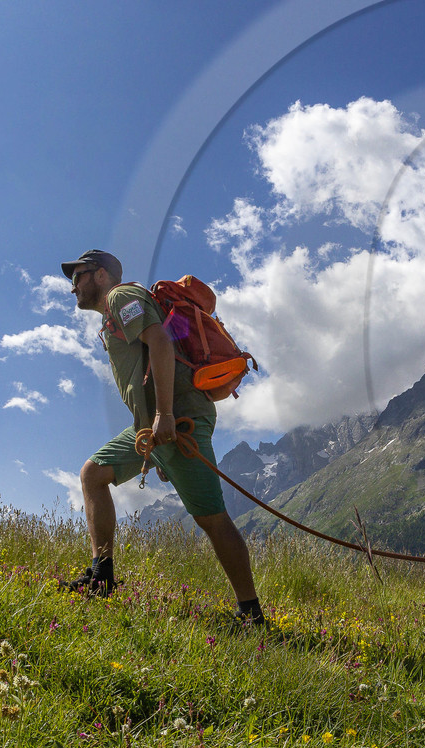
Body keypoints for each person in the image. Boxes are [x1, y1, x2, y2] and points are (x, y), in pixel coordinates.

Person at [59, 249, 269, 629]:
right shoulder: (112, 316)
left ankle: (251, 614)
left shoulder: (121, 297)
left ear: (101, 275)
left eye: (77, 277)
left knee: (212, 519)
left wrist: (165, 416)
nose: (72, 287)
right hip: (153, 428)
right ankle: (101, 576)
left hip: (180, 417)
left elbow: (160, 343)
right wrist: (154, 437)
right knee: (93, 475)